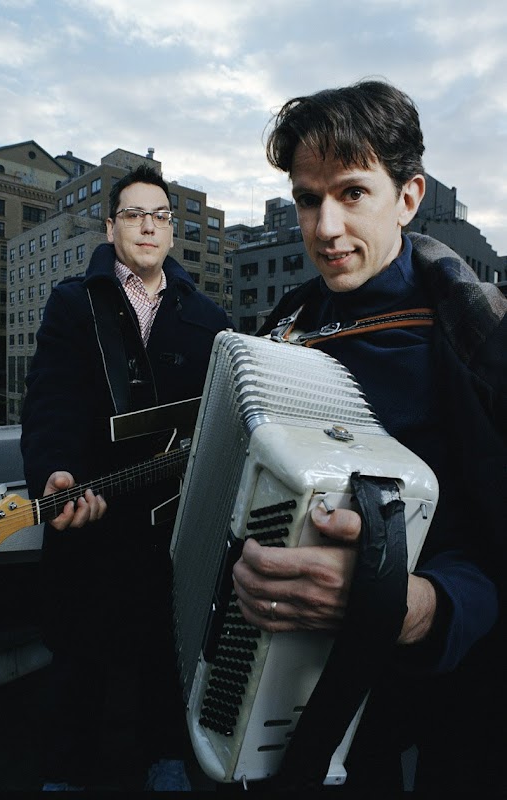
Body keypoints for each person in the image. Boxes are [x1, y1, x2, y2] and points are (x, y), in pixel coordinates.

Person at [231, 79, 507, 793]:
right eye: (307, 199)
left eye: (352, 193)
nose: (325, 228)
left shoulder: (476, 338)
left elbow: (489, 547)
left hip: (430, 700)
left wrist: (411, 607)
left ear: (408, 198)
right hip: (277, 689)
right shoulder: (285, 329)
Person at [20, 164, 230, 791]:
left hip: (172, 521)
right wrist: (55, 470)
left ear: (172, 231)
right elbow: (51, 399)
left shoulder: (208, 317)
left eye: (159, 215)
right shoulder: (73, 303)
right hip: (92, 508)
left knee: (167, 647)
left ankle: (166, 757)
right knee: (78, 657)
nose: (147, 226)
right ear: (111, 227)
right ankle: (68, 772)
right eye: (133, 214)